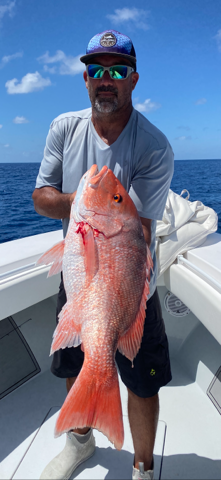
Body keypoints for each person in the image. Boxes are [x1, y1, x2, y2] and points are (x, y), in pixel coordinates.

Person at [32, 29, 174, 480]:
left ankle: (143, 467)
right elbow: (41, 197)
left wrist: (97, 210)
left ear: (134, 79)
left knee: (143, 383)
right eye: (96, 69)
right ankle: (80, 443)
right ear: (86, 78)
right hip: (79, 272)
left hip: (129, 284)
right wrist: (85, 202)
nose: (105, 78)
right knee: (77, 363)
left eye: (117, 70)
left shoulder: (154, 146)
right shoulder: (63, 128)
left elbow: (139, 229)